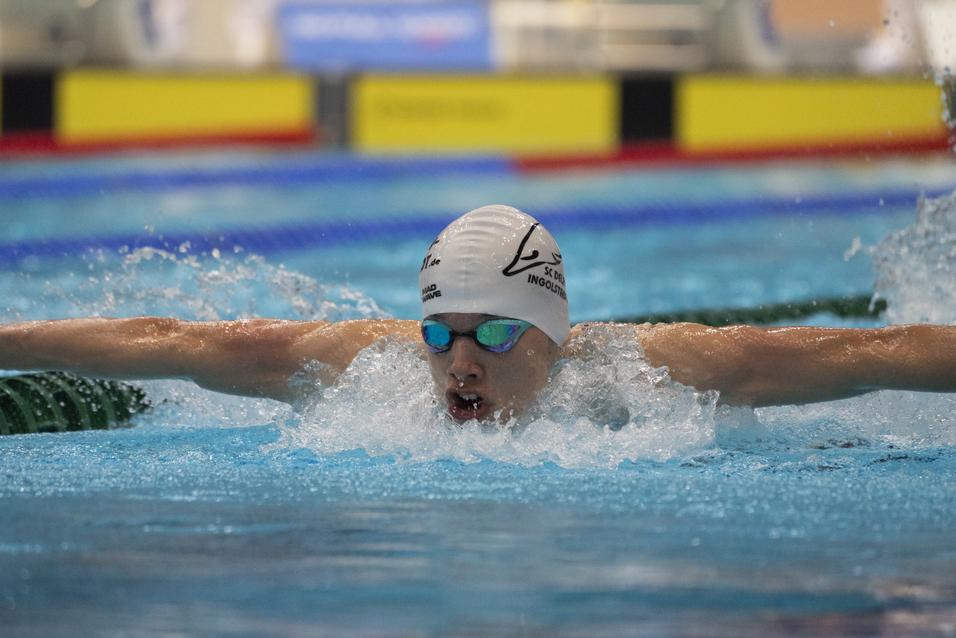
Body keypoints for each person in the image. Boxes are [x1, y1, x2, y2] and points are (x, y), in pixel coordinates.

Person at [0, 205, 954, 423]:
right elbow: (175, 342)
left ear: (550, 334)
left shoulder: (658, 371)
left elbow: (875, 351)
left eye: (493, 332)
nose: (460, 361)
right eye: (439, 332)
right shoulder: (361, 365)